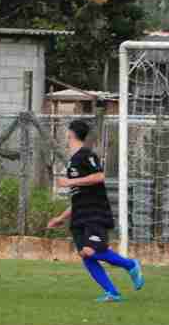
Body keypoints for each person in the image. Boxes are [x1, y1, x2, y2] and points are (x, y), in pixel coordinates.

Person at [47, 119, 145, 302]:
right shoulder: (72, 162)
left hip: (95, 213)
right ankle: (112, 293)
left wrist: (69, 182)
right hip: (80, 216)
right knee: (86, 254)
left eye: (66, 132)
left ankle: (131, 265)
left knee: (92, 250)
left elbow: (99, 176)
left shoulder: (86, 154)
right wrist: (61, 217)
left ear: (71, 133)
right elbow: (79, 196)